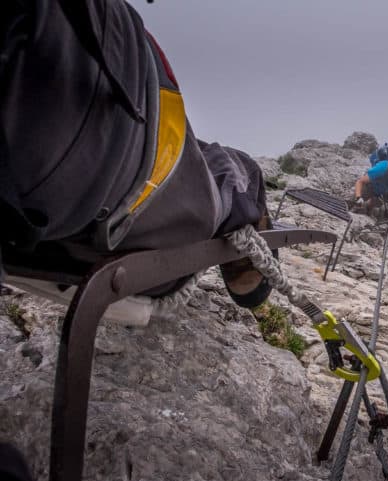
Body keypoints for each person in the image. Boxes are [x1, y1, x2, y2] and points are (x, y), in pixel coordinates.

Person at [0, 0, 272, 308]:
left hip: (103, 93)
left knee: (201, 159)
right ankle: (246, 201)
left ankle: (241, 195)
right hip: (105, 131)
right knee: (220, 174)